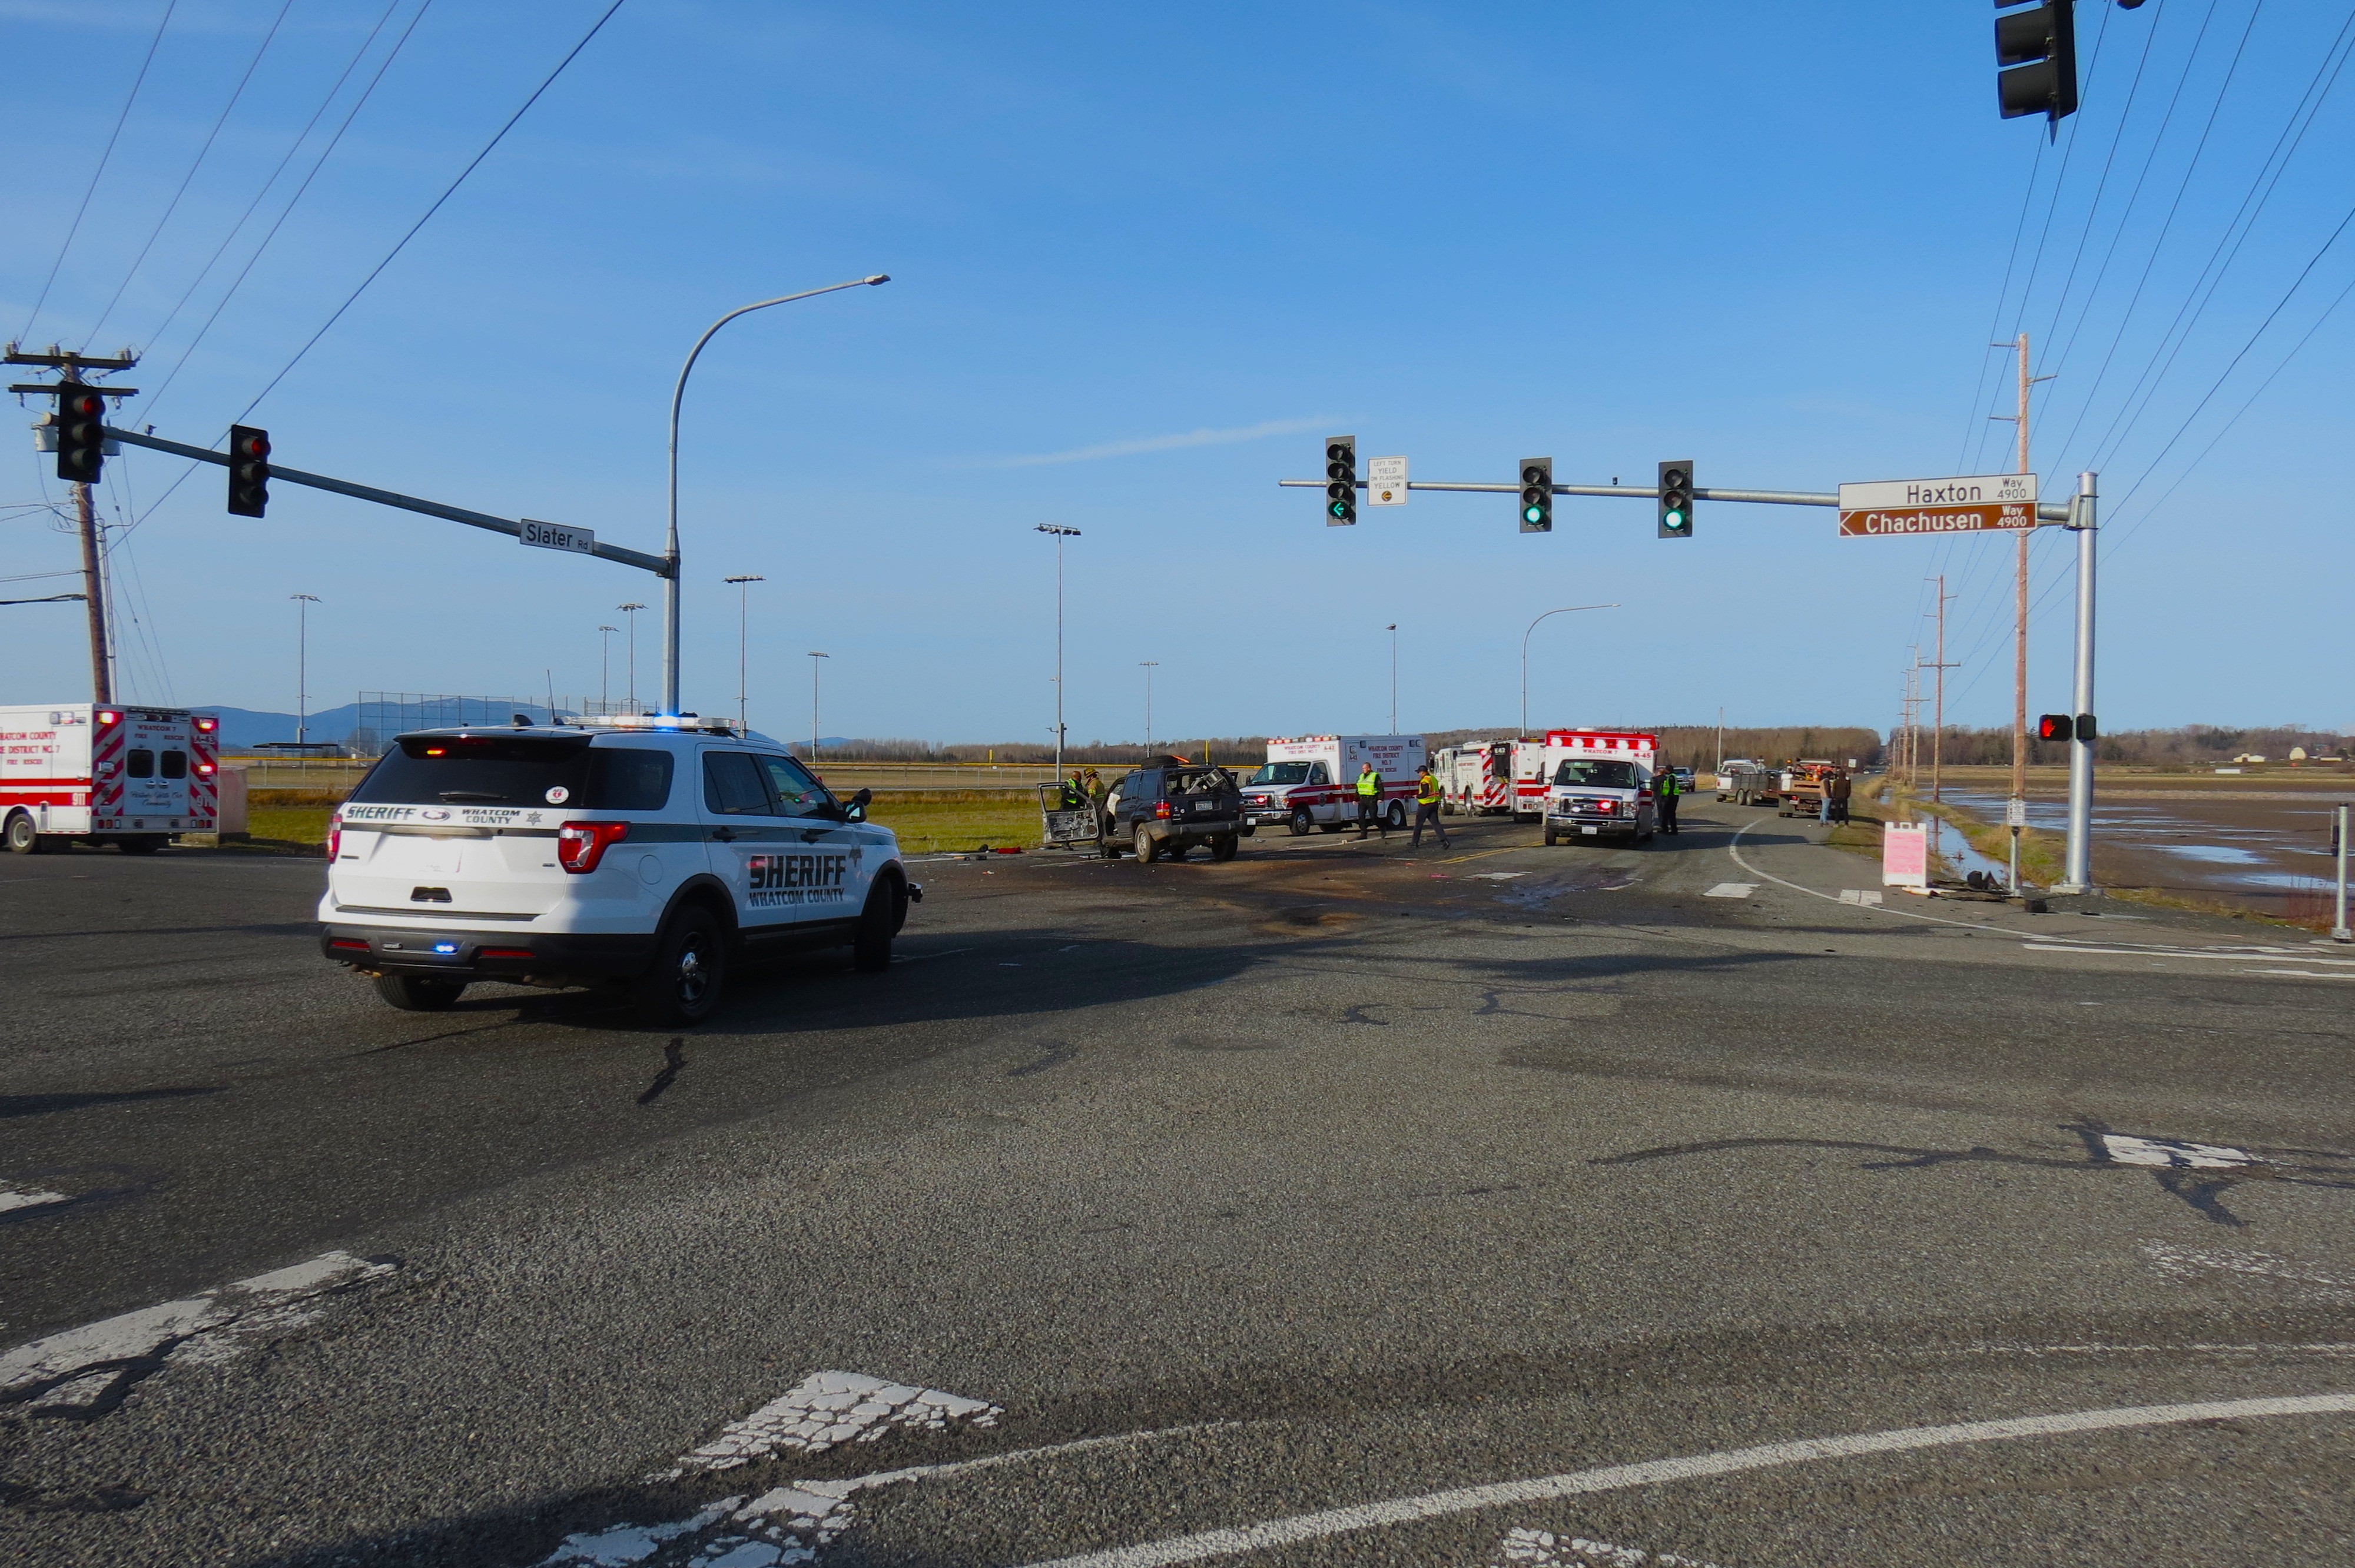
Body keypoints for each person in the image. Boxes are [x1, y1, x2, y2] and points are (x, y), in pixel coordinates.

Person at [1411, 764, 1450, 849]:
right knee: (1436, 824)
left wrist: (1417, 796)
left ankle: (1415, 842)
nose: (1418, 774)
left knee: (1419, 824)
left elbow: (1425, 794)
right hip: (1434, 804)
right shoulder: (1433, 779)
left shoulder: (1425, 781)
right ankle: (1445, 841)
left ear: (1423, 772)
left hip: (1425, 805)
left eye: (1419, 773)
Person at [1354, 761, 1387, 839]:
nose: (1363, 770)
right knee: (1361, 817)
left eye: (1364, 768)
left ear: (1369, 768)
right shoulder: (1361, 776)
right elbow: (1358, 788)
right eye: (1362, 769)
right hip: (1362, 799)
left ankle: (1382, 828)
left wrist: (1380, 798)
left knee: (1374, 817)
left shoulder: (1375, 776)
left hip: (1371, 799)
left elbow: (1380, 788)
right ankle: (1363, 834)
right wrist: (1355, 799)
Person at [1654, 759, 1681, 835]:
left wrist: (1668, 796)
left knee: (1670, 814)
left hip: (1672, 798)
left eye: (1666, 769)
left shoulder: (1671, 777)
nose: (1665, 771)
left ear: (1668, 770)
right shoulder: (1670, 776)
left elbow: (1671, 788)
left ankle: (1673, 830)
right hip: (1671, 797)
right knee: (1666, 813)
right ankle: (1666, 829)